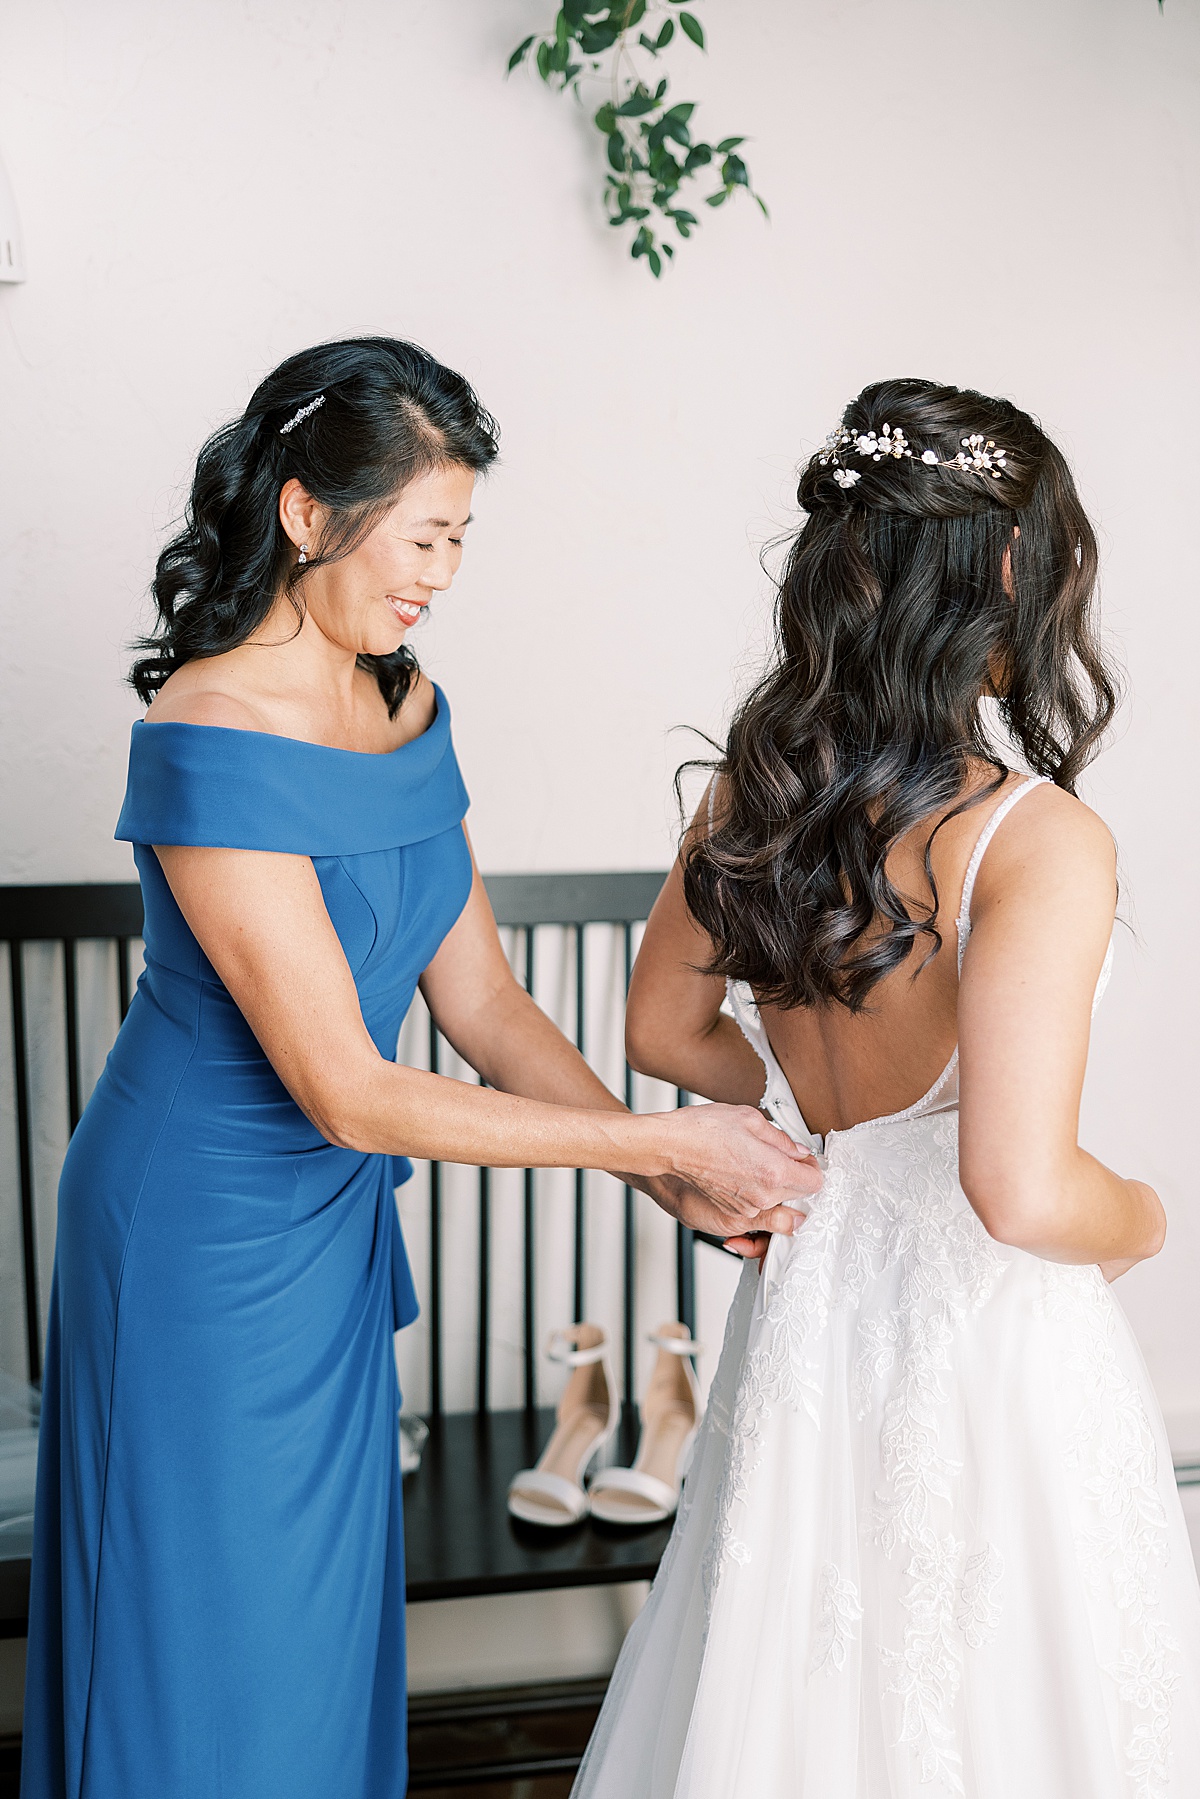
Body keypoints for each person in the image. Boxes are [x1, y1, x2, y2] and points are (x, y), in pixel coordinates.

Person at [19, 336, 820, 1799]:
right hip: (192, 1241)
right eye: (423, 533)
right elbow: (347, 1087)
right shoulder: (204, 732)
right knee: (204, 1644)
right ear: (307, 513)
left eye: (461, 539)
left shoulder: (404, 705)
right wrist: (664, 1145)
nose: (441, 572)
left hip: (319, 1239)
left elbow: (490, 1007)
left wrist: (678, 1187)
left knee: (314, 1641)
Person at [572, 379, 1200, 1798]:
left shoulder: (754, 794)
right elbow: (1021, 1188)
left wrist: (807, 1140)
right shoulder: (1034, 836)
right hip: (987, 1343)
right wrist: (1146, 1216)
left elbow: (662, 1028)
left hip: (818, 1290)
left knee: (798, 1674)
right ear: (1007, 580)